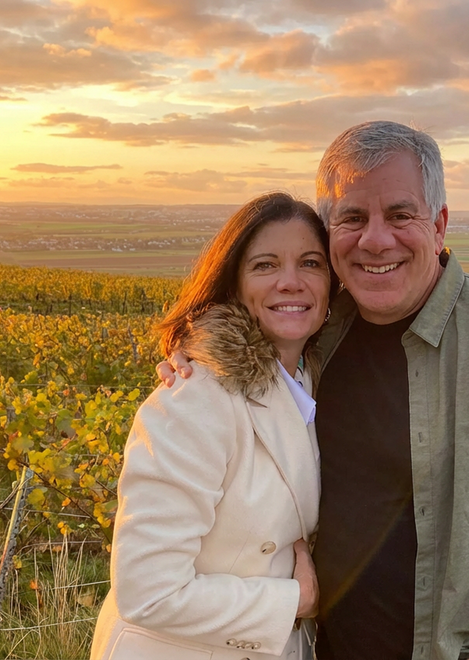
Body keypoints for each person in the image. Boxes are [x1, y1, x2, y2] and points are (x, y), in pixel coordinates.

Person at [160, 122, 469, 660]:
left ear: (438, 225)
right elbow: (244, 337)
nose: (375, 239)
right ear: (329, 231)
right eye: (352, 218)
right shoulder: (321, 330)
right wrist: (197, 351)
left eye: (400, 214)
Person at [92, 192, 337, 660]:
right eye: (265, 265)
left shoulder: (310, 380)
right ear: (233, 284)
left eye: (310, 263)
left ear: (331, 284)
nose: (290, 281)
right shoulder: (194, 398)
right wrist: (295, 602)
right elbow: (149, 591)